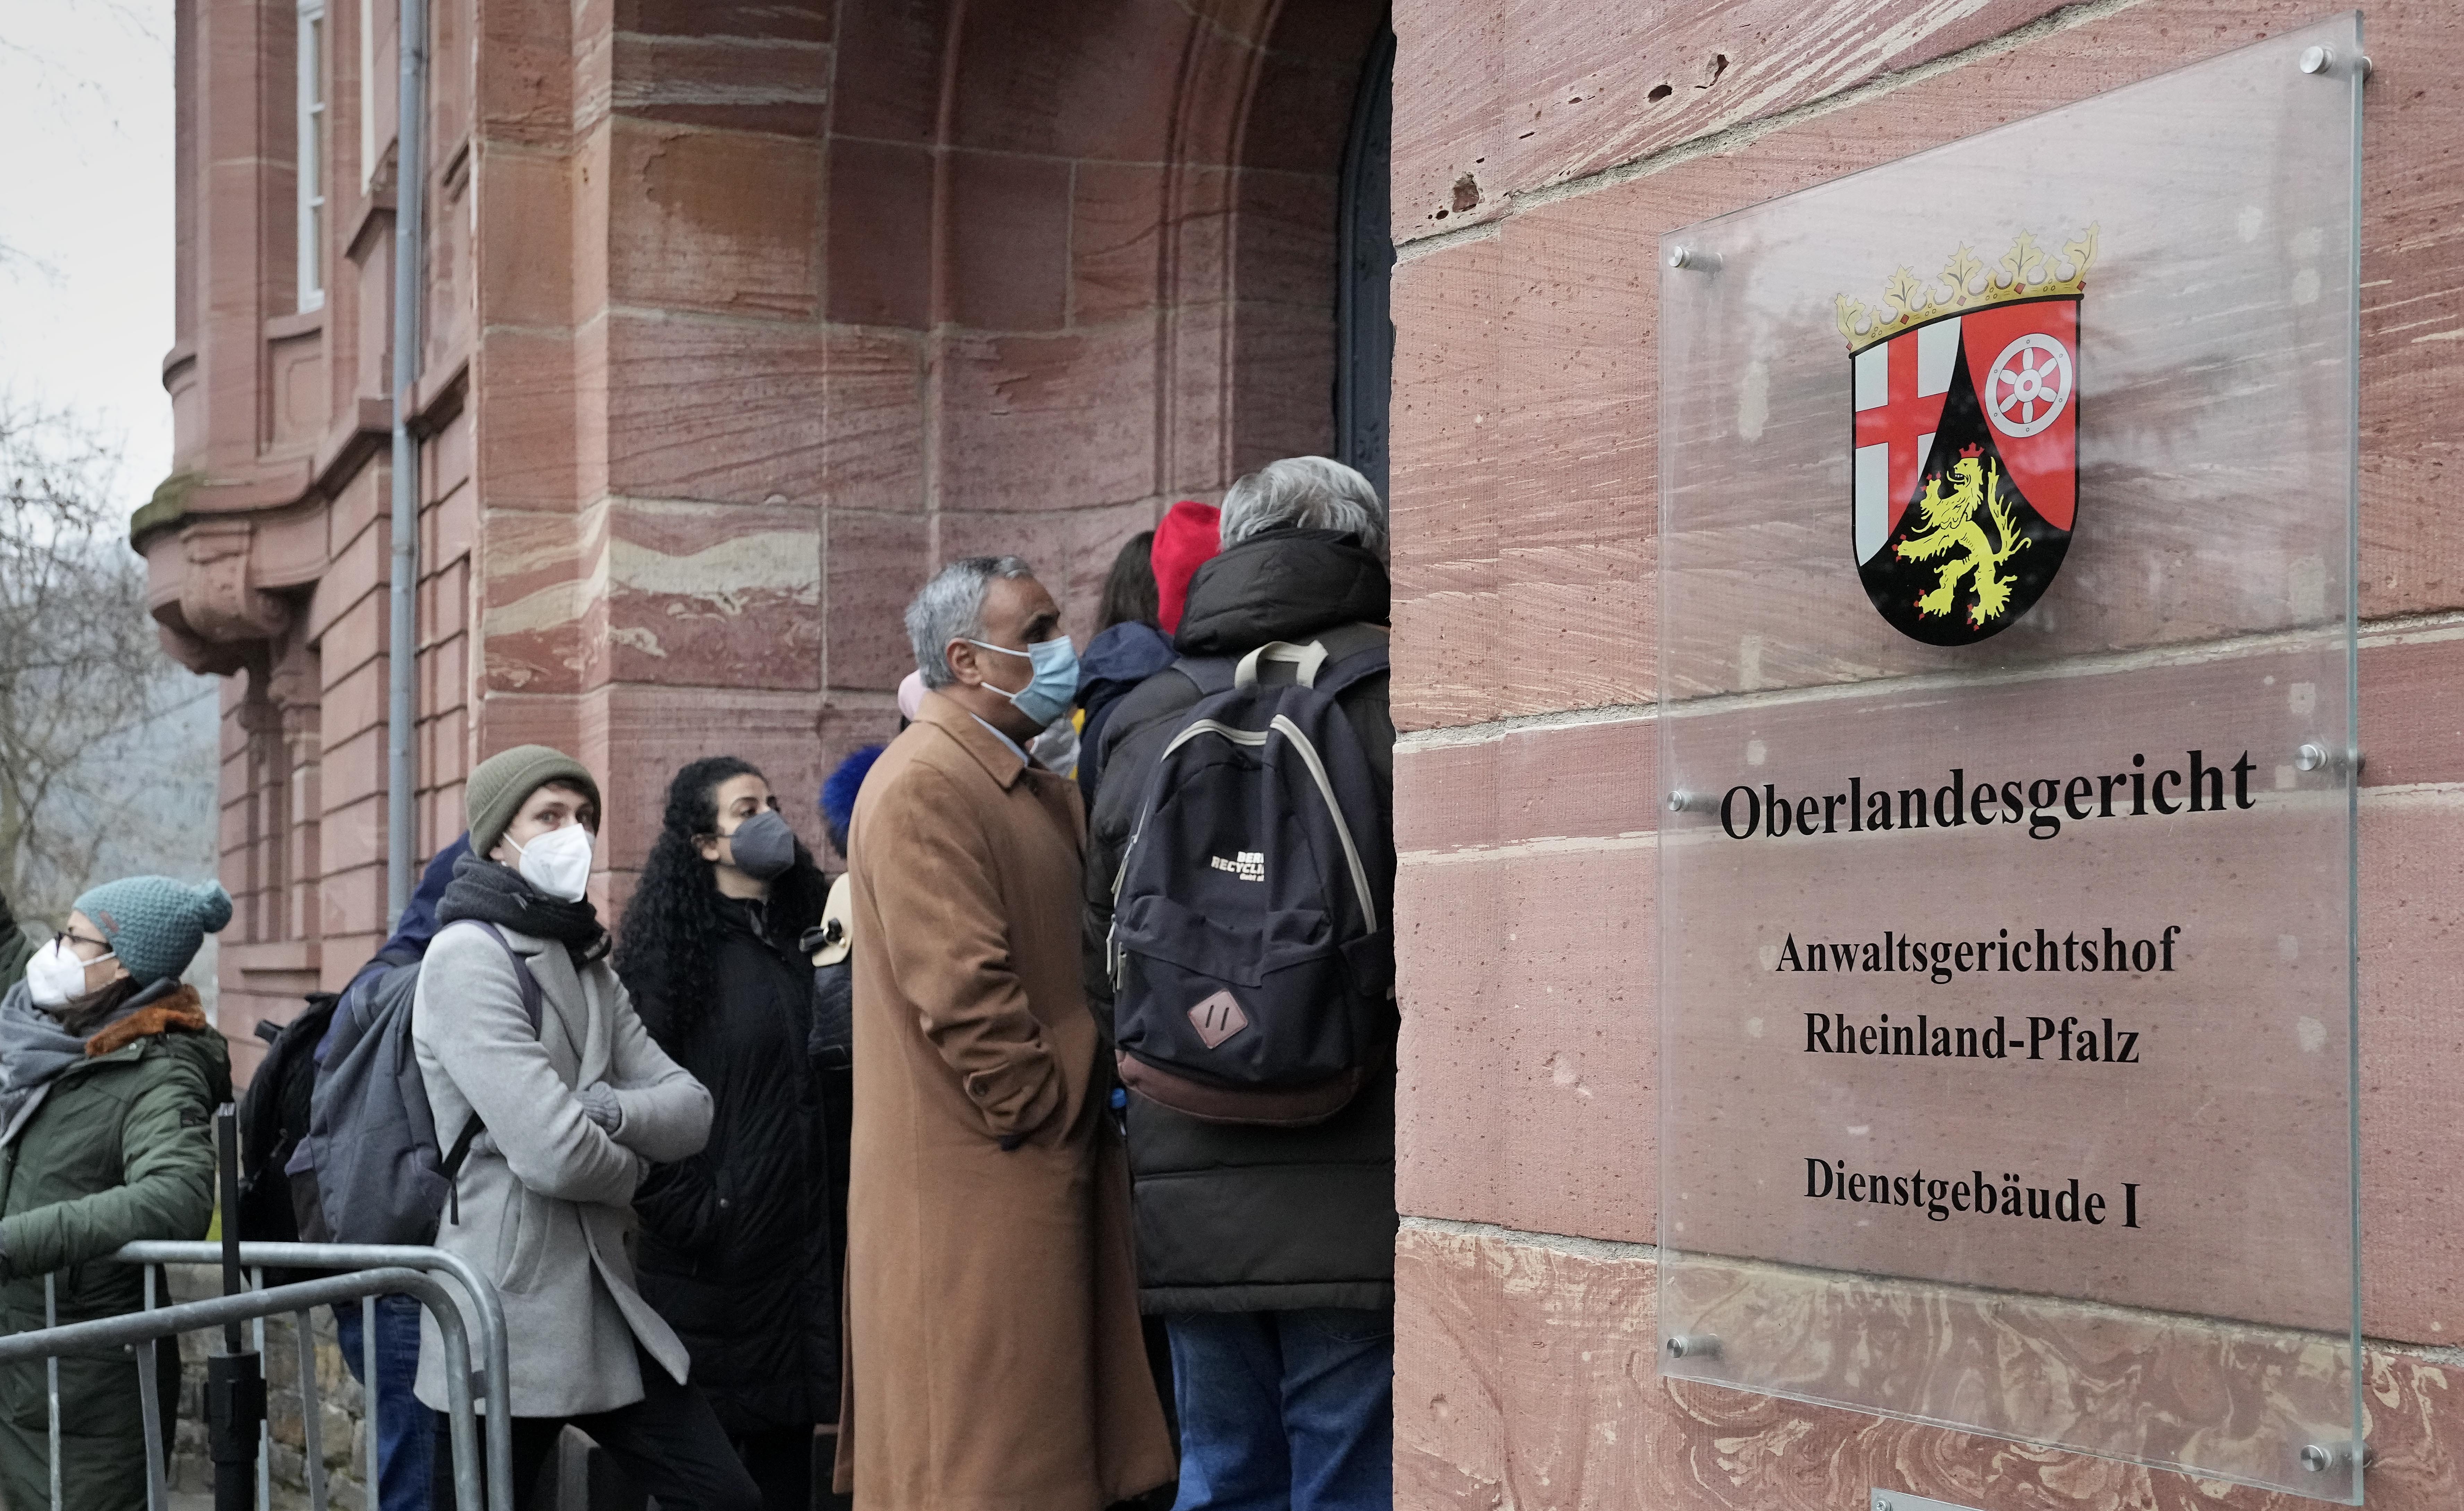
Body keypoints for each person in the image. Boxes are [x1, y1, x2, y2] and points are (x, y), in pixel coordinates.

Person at [1082, 458, 1399, 1511]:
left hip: (1187, 1161)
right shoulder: (1404, 692)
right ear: (1363, 546)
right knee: (1346, 1473)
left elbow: (1102, 950)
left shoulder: (1143, 715)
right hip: (1358, 1156)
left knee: (1221, 1471)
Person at [835, 557, 1173, 1510]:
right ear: (966, 660)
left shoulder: (1005, 779)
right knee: (986, 1469)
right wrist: (1046, 1108)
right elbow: (964, 993)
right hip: (982, 1192)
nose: (1062, 646)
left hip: (1019, 1176)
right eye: (1036, 631)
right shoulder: (926, 785)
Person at [412, 745, 756, 1511]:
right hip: (503, 1309)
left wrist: (601, 1109)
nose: (577, 834)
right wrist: (640, 1170)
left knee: (725, 1496)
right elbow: (553, 1155)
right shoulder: (466, 956)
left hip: (605, 1305)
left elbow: (691, 1107)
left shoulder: (586, 959)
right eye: (551, 817)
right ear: (500, 833)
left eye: (585, 818)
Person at [614, 757, 847, 1511]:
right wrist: (707, 1213)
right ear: (705, 843)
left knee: (784, 1477)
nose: (771, 820)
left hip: (797, 1265)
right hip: (709, 1274)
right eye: (748, 810)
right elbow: (635, 1104)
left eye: (774, 804)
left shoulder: (802, 944)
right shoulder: (668, 959)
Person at [0, 876, 233, 1511]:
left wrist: (13, 1245)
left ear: (120, 965)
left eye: (74, 938)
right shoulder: (58, 1032)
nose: (53, 951)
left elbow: (179, 1194)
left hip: (86, 1391)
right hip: (24, 1367)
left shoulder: (160, 1067)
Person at [301, 835, 469, 1511]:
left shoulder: (372, 982)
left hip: (369, 1263)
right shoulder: (429, 990)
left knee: (415, 1470)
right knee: (421, 1482)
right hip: (410, 1271)